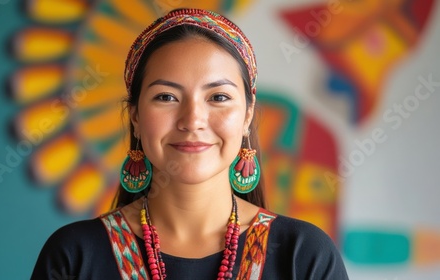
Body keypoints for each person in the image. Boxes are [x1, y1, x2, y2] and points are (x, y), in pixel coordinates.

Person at [31, 8, 349, 280]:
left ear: (247, 116)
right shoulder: (74, 255)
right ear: (136, 117)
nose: (193, 119)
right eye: (166, 97)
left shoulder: (304, 255)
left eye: (218, 97)